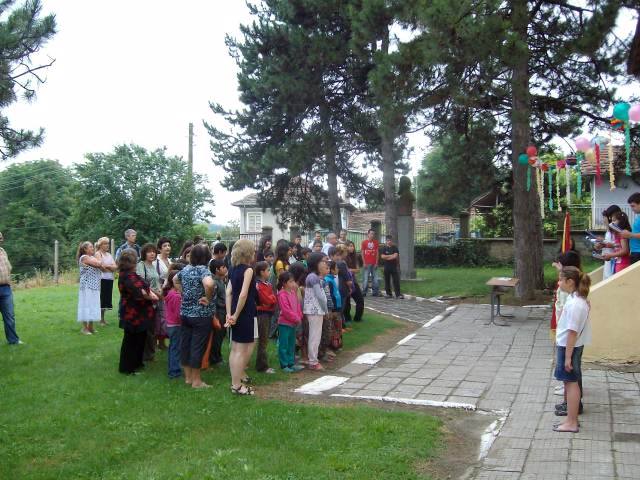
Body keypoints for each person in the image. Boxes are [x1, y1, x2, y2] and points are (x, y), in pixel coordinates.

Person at [553, 266, 591, 433]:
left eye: (561, 279)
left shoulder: (576, 304)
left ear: (570, 281)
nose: (558, 282)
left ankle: (572, 422)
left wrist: (568, 357)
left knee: (571, 383)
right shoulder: (574, 298)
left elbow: (572, 332)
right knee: (569, 383)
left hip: (569, 347)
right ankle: (570, 419)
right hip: (569, 346)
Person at [176, 243, 215, 389]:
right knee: (197, 346)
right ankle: (197, 381)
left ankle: (188, 378)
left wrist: (184, 293)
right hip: (200, 315)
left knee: (185, 345)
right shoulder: (203, 270)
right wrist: (208, 298)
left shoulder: (186, 269)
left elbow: (174, 280)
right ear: (206, 257)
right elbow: (209, 284)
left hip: (185, 313)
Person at [117, 250, 157, 374]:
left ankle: (137, 363)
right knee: (131, 341)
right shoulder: (129, 277)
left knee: (140, 338)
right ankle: (127, 368)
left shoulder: (128, 274)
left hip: (138, 312)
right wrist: (154, 297)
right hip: (133, 313)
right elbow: (142, 292)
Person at [226, 239, 258, 395]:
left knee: (235, 349)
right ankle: (237, 386)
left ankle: (235, 383)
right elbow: (243, 294)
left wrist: (229, 314)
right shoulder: (248, 270)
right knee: (241, 350)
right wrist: (236, 315)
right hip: (244, 313)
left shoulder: (232, 269)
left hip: (234, 312)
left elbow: (228, 292)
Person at [137, 244, 162, 361]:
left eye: (153, 251)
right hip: (146, 300)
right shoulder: (141, 265)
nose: (152, 253)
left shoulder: (153, 265)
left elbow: (156, 282)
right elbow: (142, 283)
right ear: (144, 253)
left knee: (152, 328)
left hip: (155, 300)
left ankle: (150, 354)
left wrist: (160, 291)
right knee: (146, 329)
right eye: (149, 251)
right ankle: (145, 354)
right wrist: (157, 294)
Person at [304, 252, 329, 371]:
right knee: (315, 336)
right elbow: (320, 296)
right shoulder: (313, 277)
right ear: (316, 263)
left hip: (316, 310)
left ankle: (313, 359)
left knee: (315, 335)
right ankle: (313, 361)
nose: (325, 264)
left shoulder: (315, 277)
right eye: (322, 261)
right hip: (315, 310)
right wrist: (325, 310)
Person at [276, 272, 304, 372]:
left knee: (291, 344)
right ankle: (284, 365)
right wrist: (296, 318)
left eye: (293, 281)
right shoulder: (281, 294)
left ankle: (291, 363)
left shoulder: (293, 293)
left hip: (293, 323)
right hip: (284, 324)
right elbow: (286, 310)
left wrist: (299, 316)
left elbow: (297, 306)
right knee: (284, 344)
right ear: (284, 283)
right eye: (290, 282)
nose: (293, 284)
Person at [77, 241, 105, 335]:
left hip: (95, 285)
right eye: (91, 247)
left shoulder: (93, 258)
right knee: (86, 305)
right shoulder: (84, 257)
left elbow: (103, 268)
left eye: (93, 247)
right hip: (86, 286)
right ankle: (84, 328)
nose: (93, 248)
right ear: (85, 249)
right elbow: (99, 264)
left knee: (93, 305)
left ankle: (91, 327)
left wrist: (100, 261)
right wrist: (100, 258)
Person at [0, 231, 21, 345]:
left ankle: (13, 340)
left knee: (9, 316)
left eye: (1, 237)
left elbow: (9, 268)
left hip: (6, 289)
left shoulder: (3, 251)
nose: (1, 239)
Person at [255, 261, 277, 373]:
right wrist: (271, 299)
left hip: (268, 313)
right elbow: (267, 299)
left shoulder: (267, 284)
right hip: (262, 314)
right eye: (268, 270)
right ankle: (262, 366)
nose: (269, 272)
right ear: (262, 272)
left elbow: (273, 297)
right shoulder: (259, 285)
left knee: (265, 339)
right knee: (263, 340)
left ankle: (262, 364)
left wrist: (271, 299)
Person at [164, 267, 183, 379]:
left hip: (171, 325)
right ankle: (174, 371)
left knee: (173, 347)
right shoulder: (176, 296)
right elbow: (178, 314)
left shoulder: (171, 293)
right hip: (176, 325)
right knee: (176, 348)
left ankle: (173, 368)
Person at [208, 259, 228, 366]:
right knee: (217, 336)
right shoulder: (214, 282)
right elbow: (213, 300)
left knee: (221, 335)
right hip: (219, 312)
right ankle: (214, 358)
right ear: (217, 270)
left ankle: (218, 356)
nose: (225, 269)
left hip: (223, 311)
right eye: (223, 267)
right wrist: (214, 315)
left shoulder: (220, 280)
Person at [594, 205, 622, 279]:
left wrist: (606, 244)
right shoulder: (608, 231)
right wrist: (600, 245)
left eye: (605, 218)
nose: (604, 220)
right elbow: (609, 243)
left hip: (614, 261)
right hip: (608, 261)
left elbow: (620, 245)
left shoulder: (618, 231)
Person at [95, 237, 117, 326]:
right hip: (102, 278)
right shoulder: (98, 254)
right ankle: (100, 319)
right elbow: (102, 267)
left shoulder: (109, 255)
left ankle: (103, 319)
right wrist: (110, 267)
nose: (107, 245)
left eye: (108, 244)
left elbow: (115, 267)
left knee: (107, 299)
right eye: (105, 244)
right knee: (102, 298)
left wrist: (108, 267)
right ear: (100, 245)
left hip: (109, 279)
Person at [323, 260, 342, 359]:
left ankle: (336, 345)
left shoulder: (332, 279)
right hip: (333, 308)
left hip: (337, 307)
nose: (338, 269)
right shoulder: (328, 280)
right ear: (332, 270)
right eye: (336, 268)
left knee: (337, 327)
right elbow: (329, 296)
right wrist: (332, 309)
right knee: (333, 328)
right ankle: (331, 347)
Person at [344, 240, 364, 323]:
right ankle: (347, 318)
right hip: (345, 282)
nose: (351, 248)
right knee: (347, 302)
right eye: (349, 246)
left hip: (353, 282)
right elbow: (344, 270)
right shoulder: (343, 257)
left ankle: (358, 318)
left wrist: (349, 270)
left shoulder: (355, 257)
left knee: (360, 300)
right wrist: (351, 270)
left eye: (352, 246)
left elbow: (358, 270)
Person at [620, 192, 640, 265]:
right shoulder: (638, 216)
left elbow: (633, 234)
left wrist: (630, 234)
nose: (632, 209)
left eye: (633, 206)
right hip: (635, 252)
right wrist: (628, 235)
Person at [360, 229, 380, 296]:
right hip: (367, 263)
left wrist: (376, 263)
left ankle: (375, 292)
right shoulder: (364, 242)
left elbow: (377, 253)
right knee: (365, 278)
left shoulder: (376, 242)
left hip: (374, 263)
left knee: (375, 278)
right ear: (368, 234)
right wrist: (364, 262)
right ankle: (364, 291)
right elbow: (362, 253)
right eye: (371, 233)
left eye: (373, 234)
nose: (372, 235)